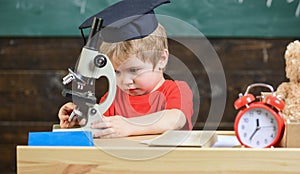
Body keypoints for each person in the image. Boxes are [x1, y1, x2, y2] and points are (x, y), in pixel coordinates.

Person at [58, 0, 194, 138]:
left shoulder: (176, 90)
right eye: (116, 72)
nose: (125, 81)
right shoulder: (112, 100)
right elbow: (99, 127)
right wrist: (80, 118)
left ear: (161, 59)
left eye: (134, 70)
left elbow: (175, 119)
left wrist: (130, 126)